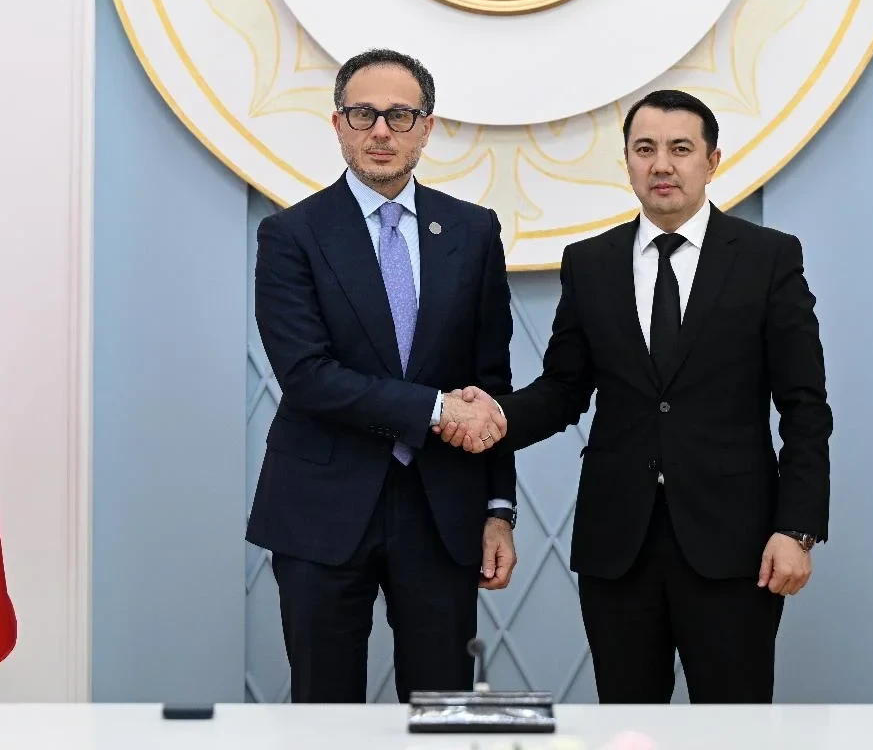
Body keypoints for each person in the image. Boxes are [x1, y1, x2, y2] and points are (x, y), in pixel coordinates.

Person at [437, 89, 833, 704]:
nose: (662, 165)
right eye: (645, 149)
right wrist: (495, 416)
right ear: (626, 161)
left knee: (734, 729)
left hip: (736, 546)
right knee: (627, 728)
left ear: (713, 160)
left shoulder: (768, 258)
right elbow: (565, 389)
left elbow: (805, 408)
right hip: (617, 544)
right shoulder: (590, 262)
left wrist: (797, 528)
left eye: (681, 149)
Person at [247, 48, 518, 703]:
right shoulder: (292, 235)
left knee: (441, 709)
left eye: (400, 116)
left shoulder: (473, 231)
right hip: (321, 508)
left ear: (426, 128)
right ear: (337, 124)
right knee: (325, 712)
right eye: (362, 114)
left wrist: (498, 510)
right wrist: (435, 409)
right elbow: (308, 376)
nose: (380, 132)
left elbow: (490, 383)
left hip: (443, 508)